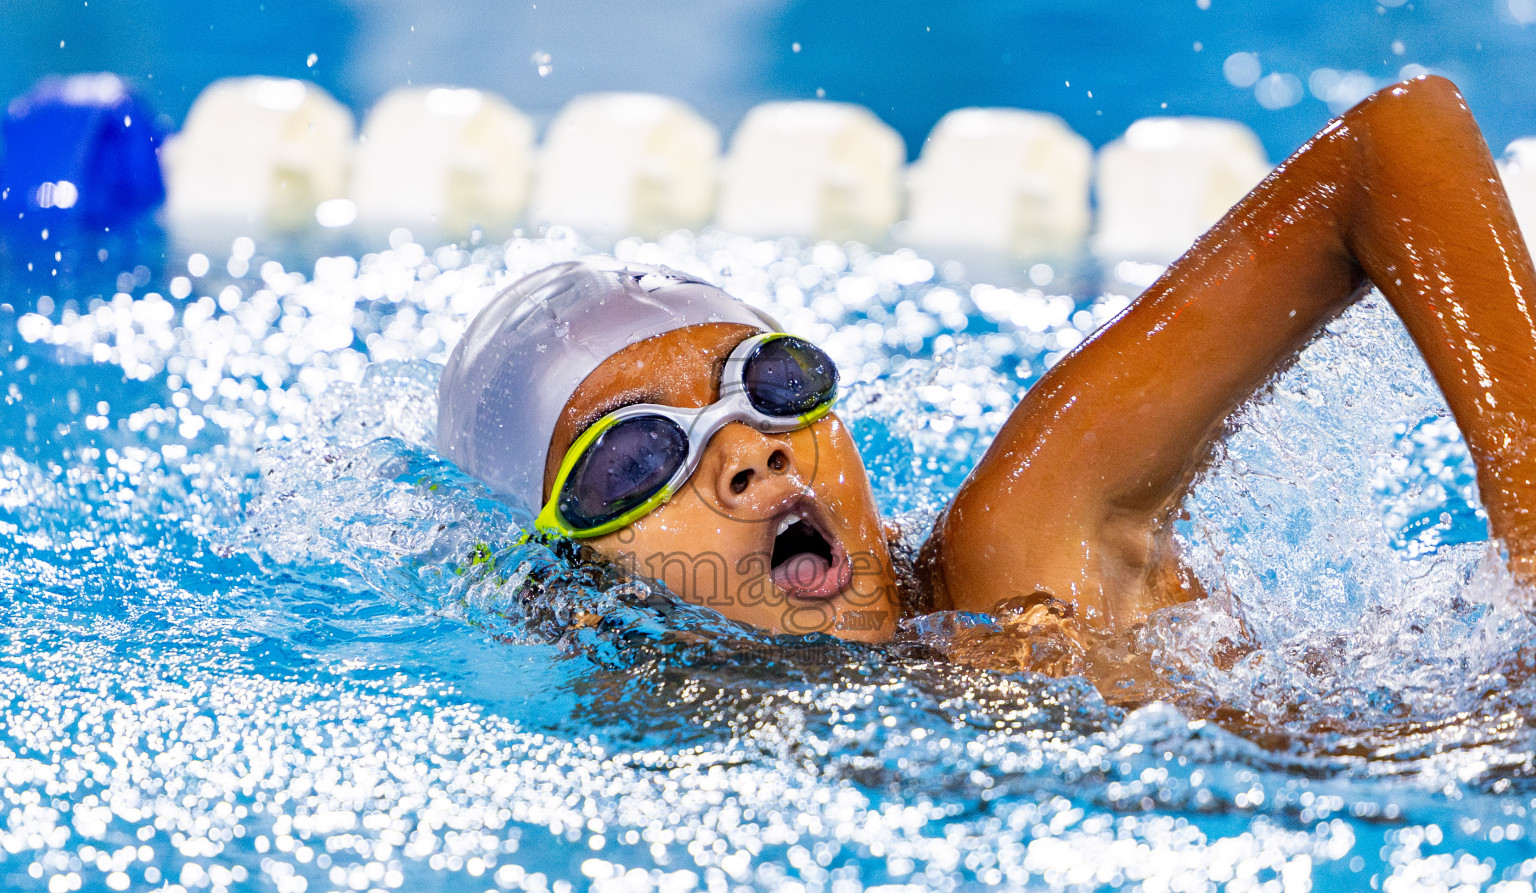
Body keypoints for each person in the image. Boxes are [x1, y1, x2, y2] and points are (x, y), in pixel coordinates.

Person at [438, 76, 1536, 704]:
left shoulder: (1016, 566)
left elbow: (1397, 142)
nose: (752, 450)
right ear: (565, 585)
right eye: (636, 458)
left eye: (772, 385)